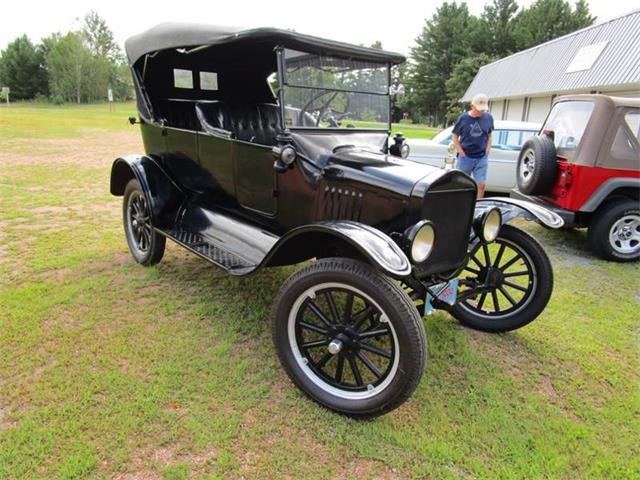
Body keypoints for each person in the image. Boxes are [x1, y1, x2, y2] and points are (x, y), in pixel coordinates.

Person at [451, 93, 494, 198]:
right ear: (472, 106)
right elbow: (454, 136)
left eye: (483, 110)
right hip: (465, 157)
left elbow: (489, 135)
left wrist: (488, 149)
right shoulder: (463, 118)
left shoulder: (488, 118)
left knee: (481, 185)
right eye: (479, 109)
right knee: (461, 185)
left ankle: (478, 206)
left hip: (481, 157)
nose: (481, 112)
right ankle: (459, 205)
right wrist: (460, 151)